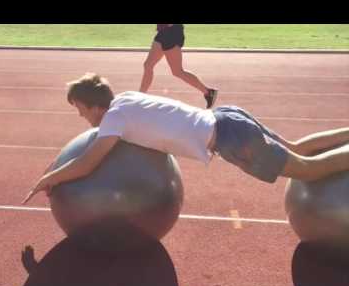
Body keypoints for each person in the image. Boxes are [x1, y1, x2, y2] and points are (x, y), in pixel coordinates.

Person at [22, 73, 349, 204]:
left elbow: (87, 162)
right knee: (295, 148)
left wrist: (47, 179)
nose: (81, 116)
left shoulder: (114, 119)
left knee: (308, 170)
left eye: (79, 109)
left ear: (94, 105)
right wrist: (52, 170)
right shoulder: (125, 100)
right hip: (228, 116)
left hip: (231, 138)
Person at [140, 24, 218, 109]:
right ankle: (140, 96)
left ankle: (208, 92)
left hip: (172, 34)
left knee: (177, 71)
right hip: (163, 33)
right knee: (148, 65)